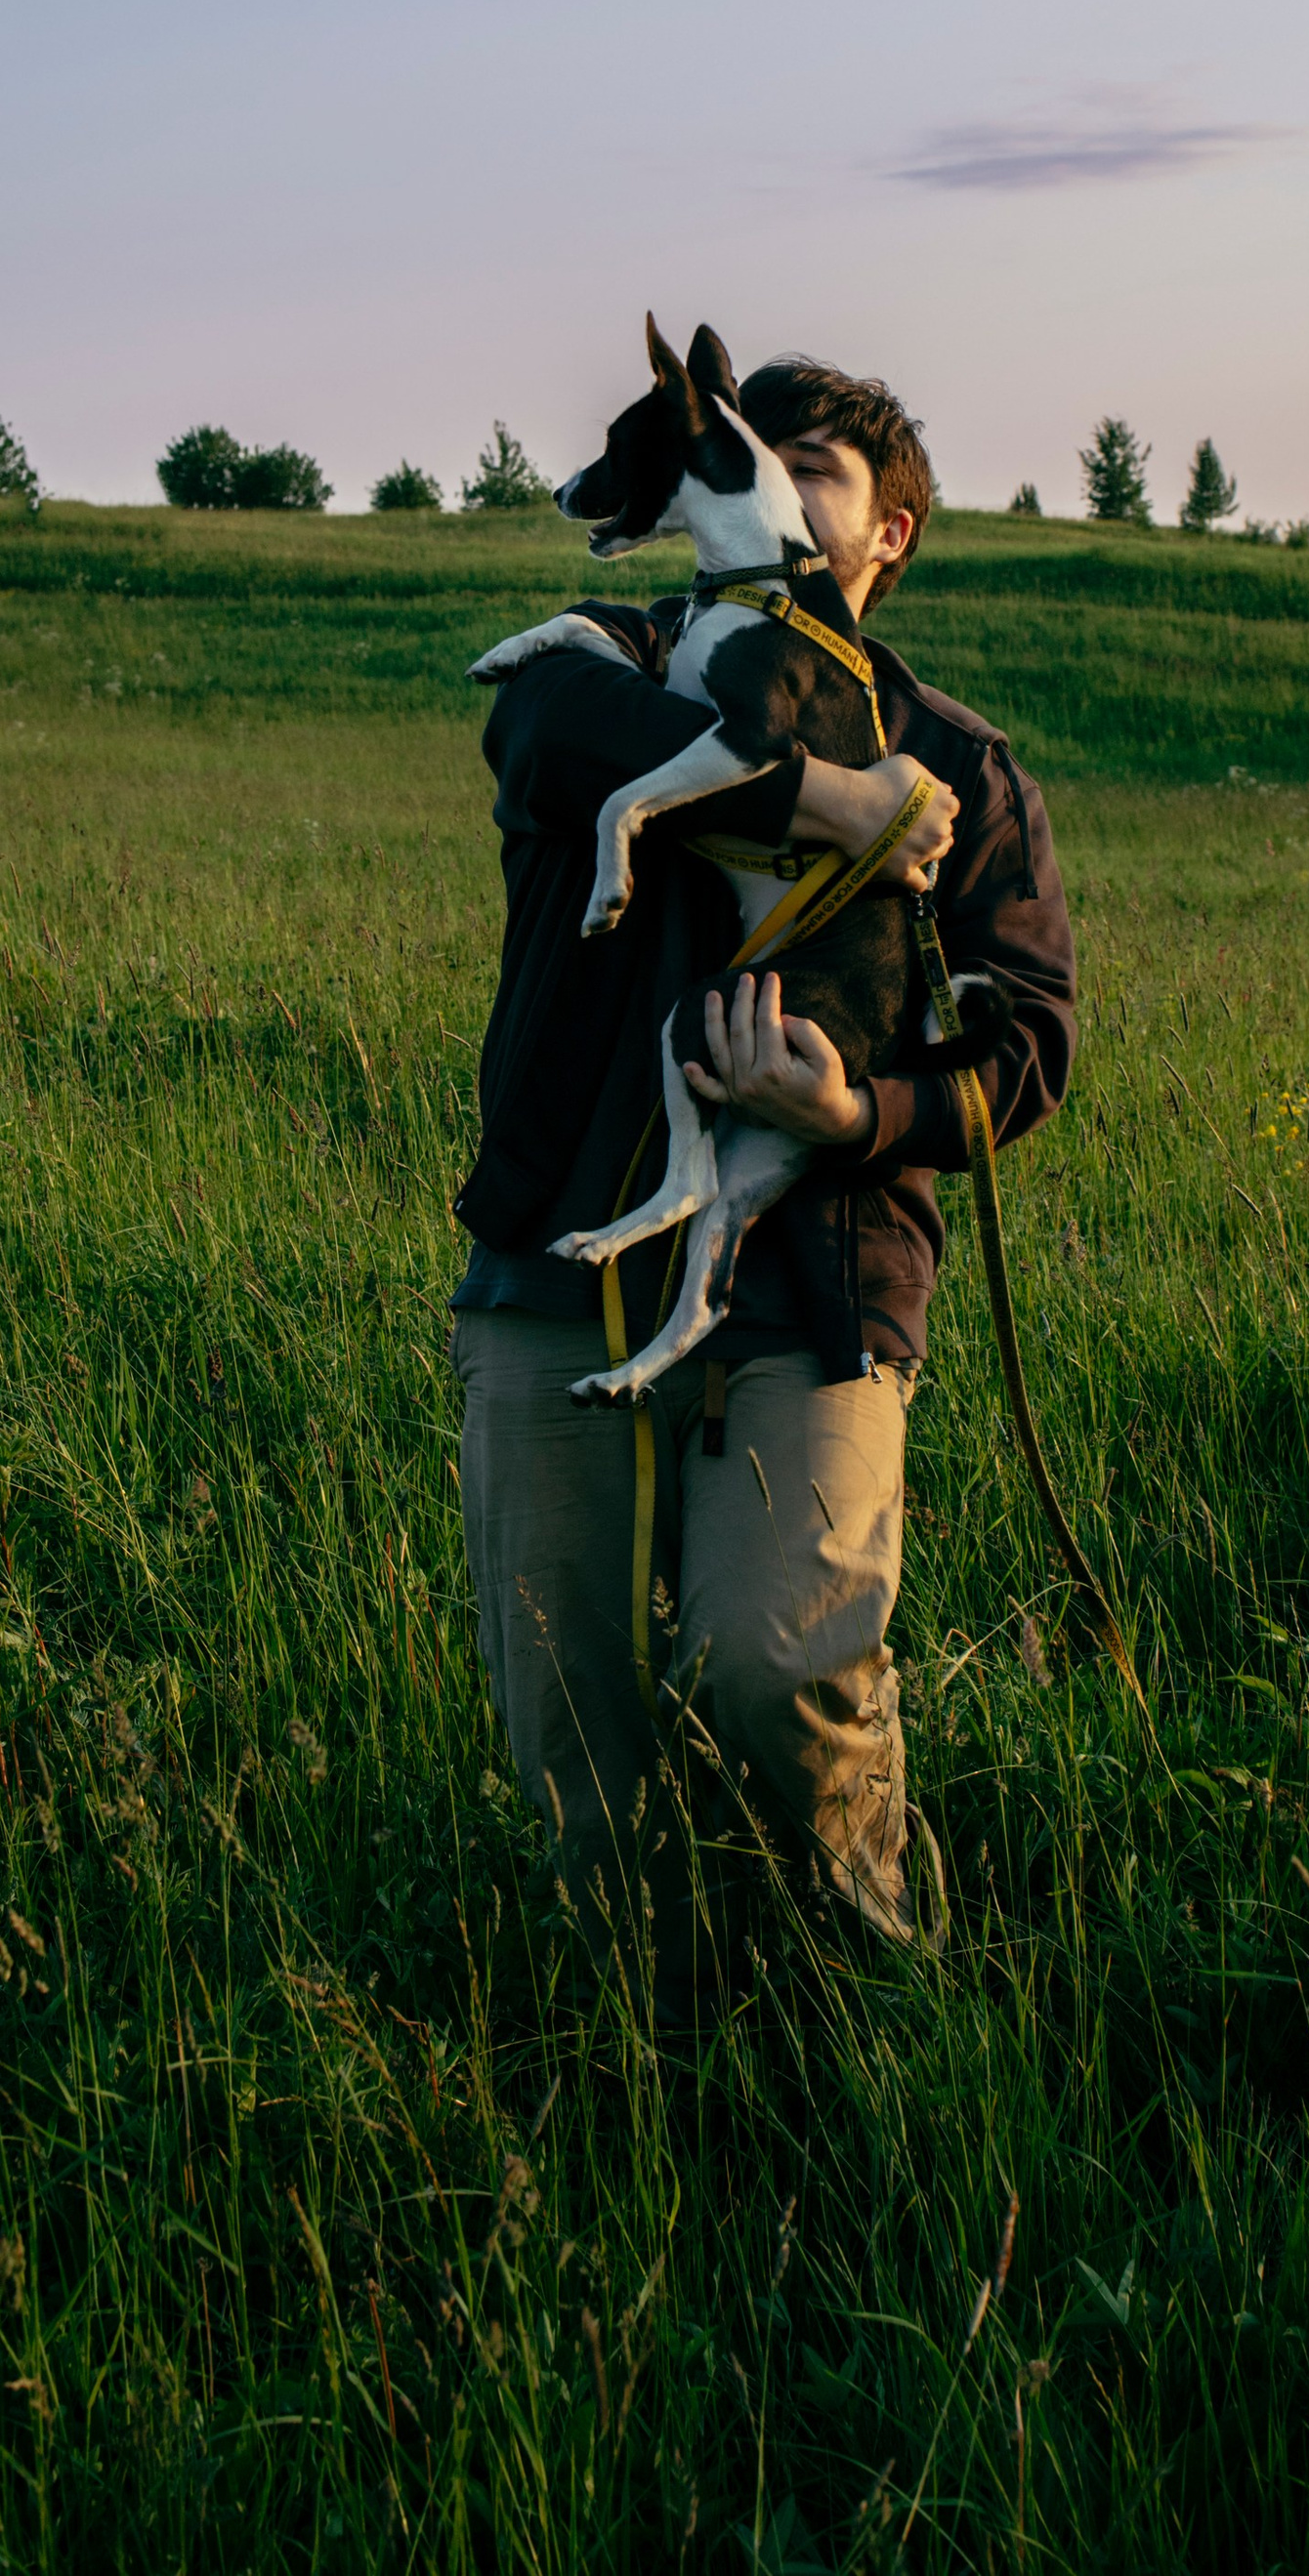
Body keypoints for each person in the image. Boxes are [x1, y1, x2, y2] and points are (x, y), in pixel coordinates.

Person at [448, 354, 1077, 2012]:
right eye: (763, 461)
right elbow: (546, 743)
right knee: (568, 1710)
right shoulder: (616, 674)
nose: (785, 492)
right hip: (558, 1258)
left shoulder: (957, 764)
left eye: (824, 471)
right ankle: (632, 2062)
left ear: (894, 535)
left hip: (816, 1277)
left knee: (783, 1669)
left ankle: (879, 2020)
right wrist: (828, 801)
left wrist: (854, 1102)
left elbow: (1030, 1055)